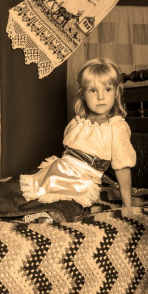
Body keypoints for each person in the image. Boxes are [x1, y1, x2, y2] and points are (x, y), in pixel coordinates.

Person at [19, 58, 136, 222]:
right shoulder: (78, 121)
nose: (101, 97)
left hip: (80, 182)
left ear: (116, 92)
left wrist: (127, 205)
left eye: (108, 89)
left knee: (65, 206)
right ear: (83, 94)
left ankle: (45, 214)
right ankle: (29, 207)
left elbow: (122, 167)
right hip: (57, 171)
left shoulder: (116, 127)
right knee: (18, 190)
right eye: (93, 90)